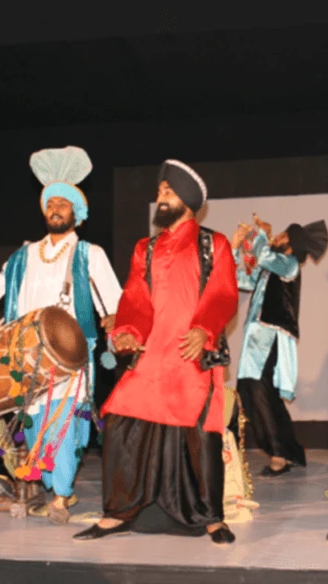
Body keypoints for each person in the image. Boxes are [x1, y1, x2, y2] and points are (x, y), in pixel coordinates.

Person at [0, 146, 120, 524]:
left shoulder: (89, 253)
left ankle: (61, 496)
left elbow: (113, 298)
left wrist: (116, 321)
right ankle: (57, 487)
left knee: (63, 424)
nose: (56, 209)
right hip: (23, 355)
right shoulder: (24, 256)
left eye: (63, 203)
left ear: (76, 213)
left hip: (69, 354)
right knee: (34, 430)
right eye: (51, 203)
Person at [73, 159, 239, 545]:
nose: (160, 197)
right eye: (160, 191)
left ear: (188, 201)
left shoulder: (213, 244)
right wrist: (128, 332)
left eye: (169, 191)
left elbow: (223, 293)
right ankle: (117, 513)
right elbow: (136, 298)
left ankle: (212, 519)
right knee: (120, 423)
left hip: (191, 354)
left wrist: (203, 330)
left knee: (200, 436)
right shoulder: (145, 249)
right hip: (152, 356)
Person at [229, 215, 328, 476]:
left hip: (268, 337)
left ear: (291, 246)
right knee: (252, 392)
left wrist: (262, 234)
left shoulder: (289, 265)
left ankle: (278, 454)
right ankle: (288, 450)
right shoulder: (269, 268)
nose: (277, 238)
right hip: (254, 337)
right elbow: (242, 280)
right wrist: (236, 249)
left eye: (282, 236)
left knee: (260, 391)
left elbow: (264, 255)